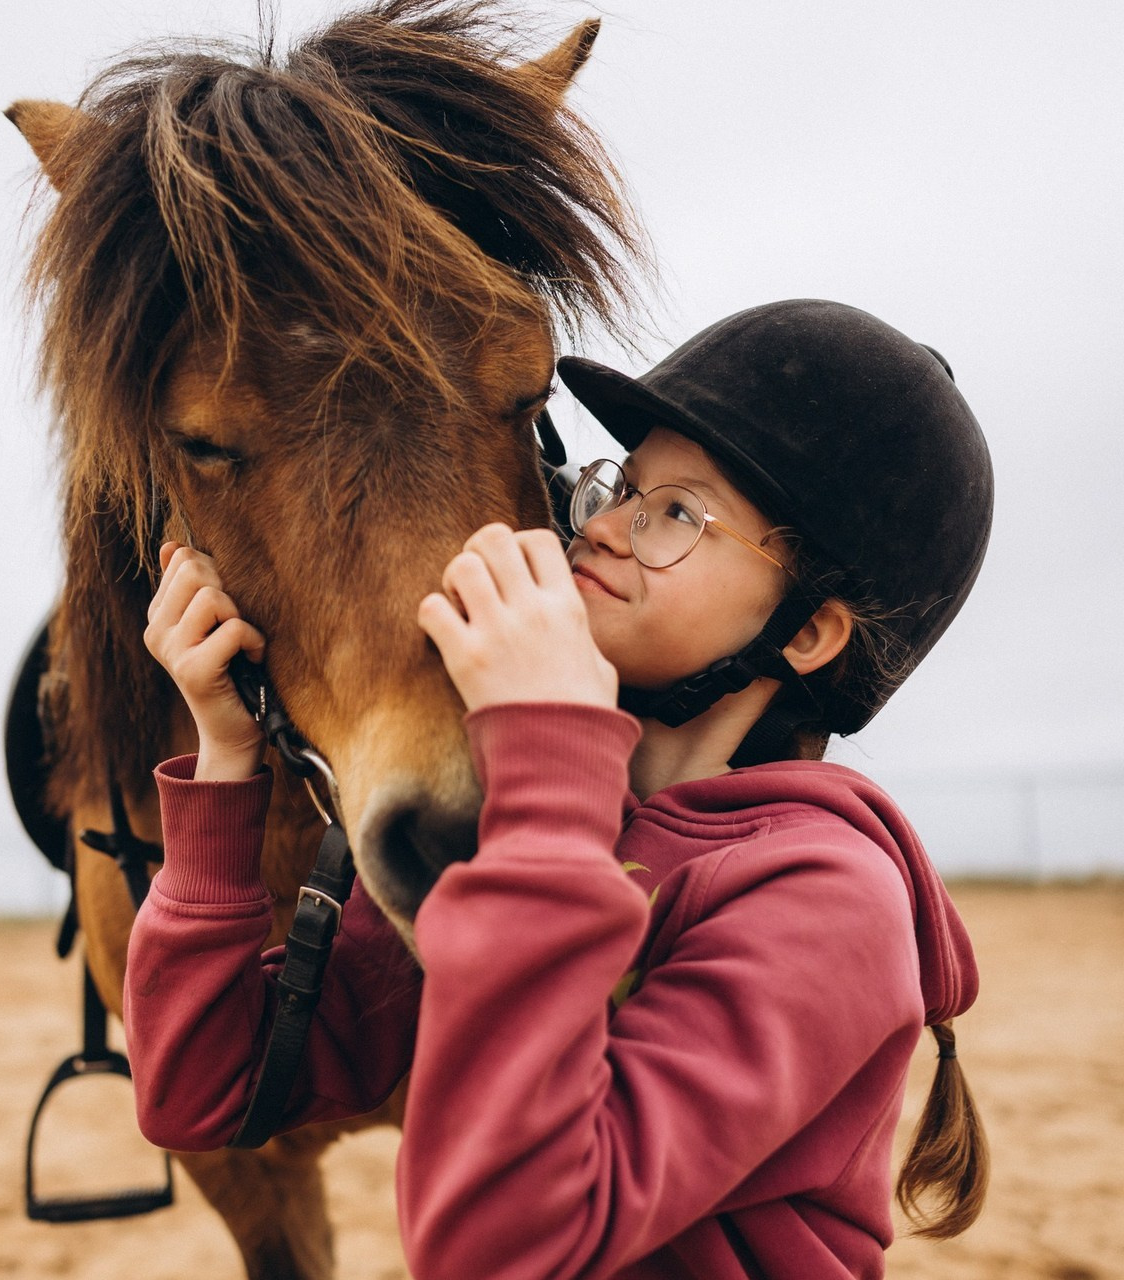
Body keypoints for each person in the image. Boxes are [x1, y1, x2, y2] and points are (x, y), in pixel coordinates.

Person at [124, 298, 993, 1279]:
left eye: (678, 514)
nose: (606, 527)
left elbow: (508, 1247)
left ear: (804, 633)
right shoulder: (518, 814)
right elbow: (206, 1094)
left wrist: (549, 767)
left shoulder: (827, 899)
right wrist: (225, 756)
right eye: (623, 486)